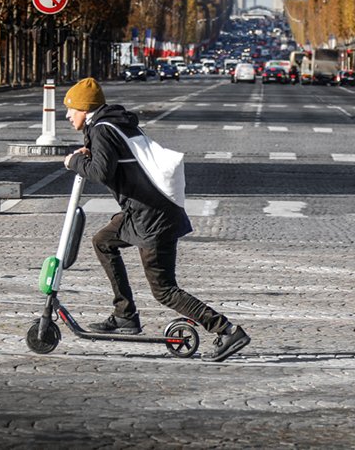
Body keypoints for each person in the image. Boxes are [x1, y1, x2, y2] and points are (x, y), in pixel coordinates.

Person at [62, 77, 251, 362]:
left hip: (152, 216)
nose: (67, 115)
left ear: (84, 108)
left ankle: (226, 330)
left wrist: (73, 162)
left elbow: (101, 172)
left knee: (163, 289)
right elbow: (112, 162)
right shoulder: (113, 125)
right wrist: (87, 154)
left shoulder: (102, 129)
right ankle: (125, 315)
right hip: (143, 211)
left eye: (70, 109)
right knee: (103, 242)